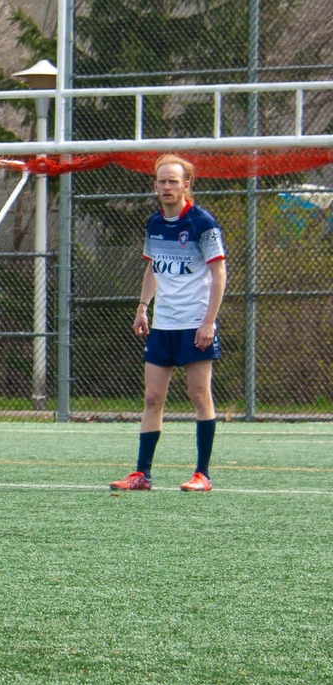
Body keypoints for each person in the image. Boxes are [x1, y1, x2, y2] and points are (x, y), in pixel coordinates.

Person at [111, 154, 226, 493]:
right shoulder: (155, 224)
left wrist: (209, 322)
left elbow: (219, 274)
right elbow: (152, 267)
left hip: (194, 325)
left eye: (173, 181)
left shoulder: (203, 223)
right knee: (152, 398)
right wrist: (143, 307)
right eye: (161, 181)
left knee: (199, 395)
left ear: (186, 185)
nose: (166, 187)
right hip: (163, 325)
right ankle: (141, 474)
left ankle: (202, 474)